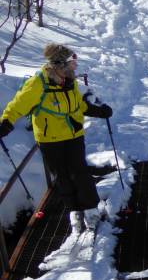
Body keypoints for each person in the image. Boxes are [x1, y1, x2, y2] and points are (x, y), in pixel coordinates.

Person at [0, 44, 113, 235]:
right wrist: (6, 124)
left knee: (80, 172)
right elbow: (18, 105)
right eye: (72, 63)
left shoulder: (69, 82)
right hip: (49, 139)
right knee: (62, 176)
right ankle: (75, 211)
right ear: (60, 64)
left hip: (74, 135)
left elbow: (78, 105)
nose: (75, 67)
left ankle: (91, 209)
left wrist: (98, 111)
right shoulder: (38, 83)